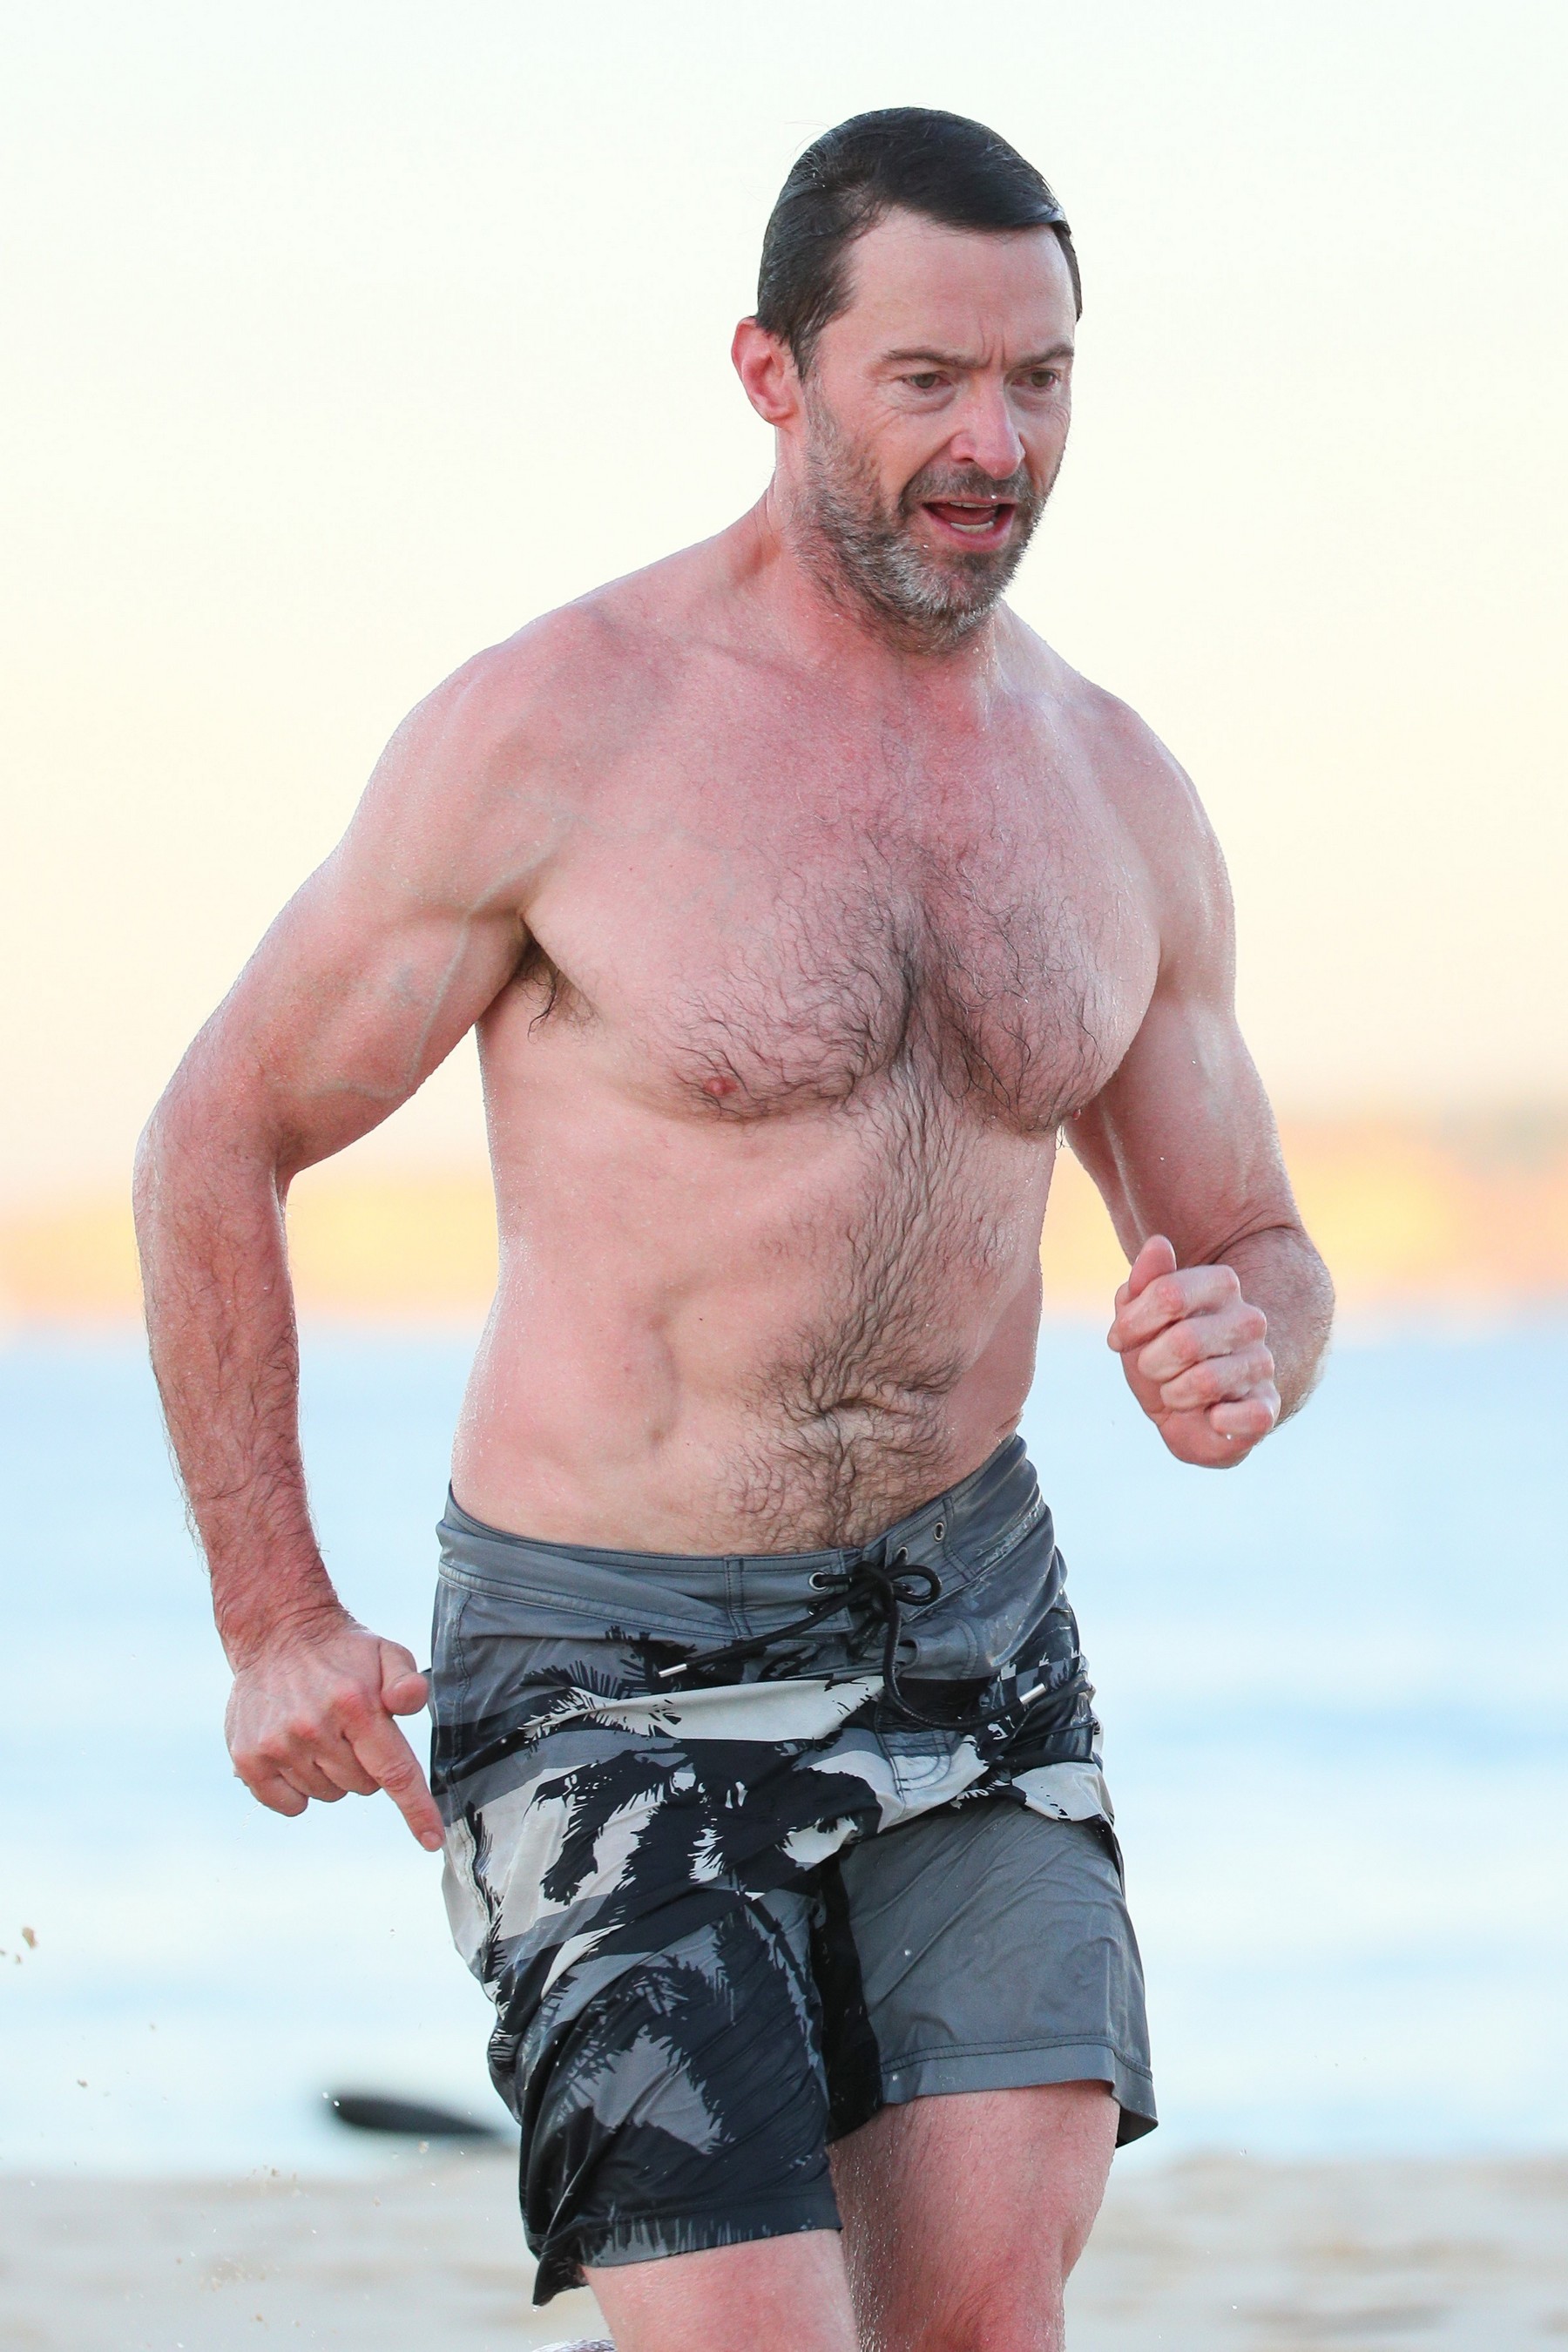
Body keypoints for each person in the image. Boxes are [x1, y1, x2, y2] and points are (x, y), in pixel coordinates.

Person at [135, 106, 1332, 2352]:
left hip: (968, 1631)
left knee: (983, 2320)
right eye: (928, 380)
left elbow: (1250, 1232)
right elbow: (216, 1135)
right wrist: (274, 1615)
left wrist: (1254, 1338)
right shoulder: (557, 734)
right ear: (773, 374)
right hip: (601, 1655)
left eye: (1042, 380)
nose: (996, 445)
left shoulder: (1119, 793)